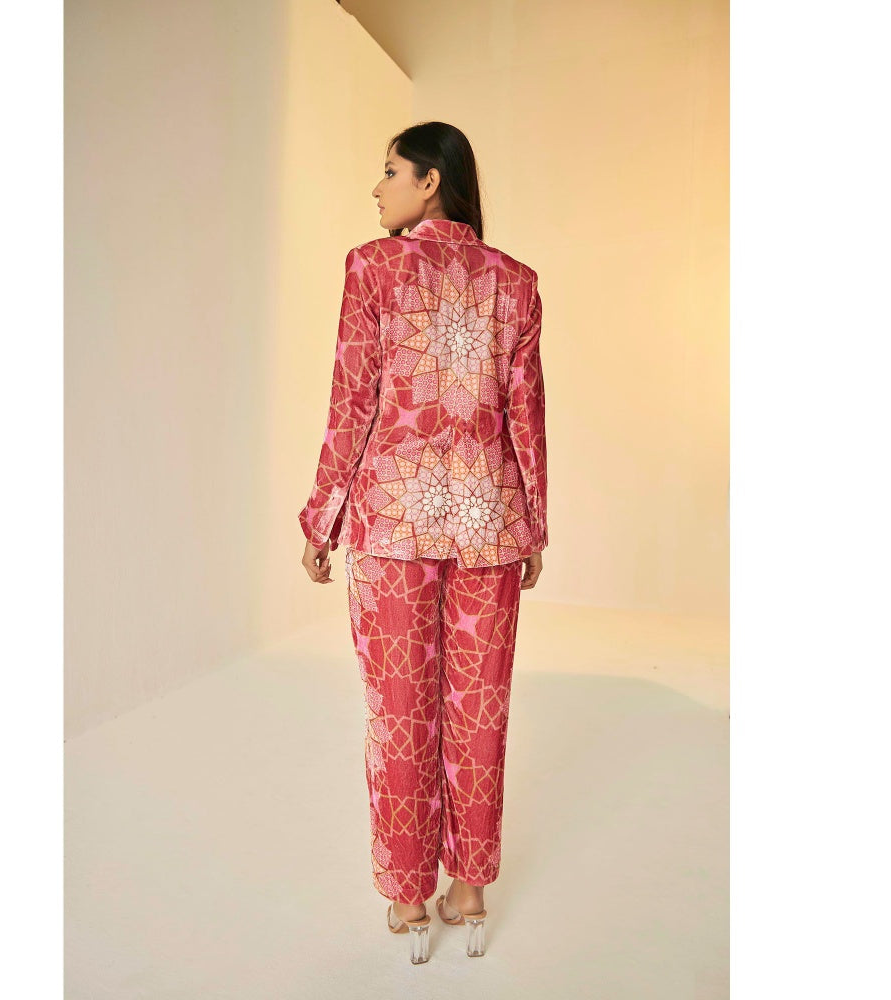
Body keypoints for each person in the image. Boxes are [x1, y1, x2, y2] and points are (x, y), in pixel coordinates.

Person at [297, 121, 547, 963]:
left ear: (431, 180)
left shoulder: (371, 267)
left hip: (393, 517)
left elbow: (352, 400)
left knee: (399, 709)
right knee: (481, 707)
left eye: (391, 171)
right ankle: (468, 888)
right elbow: (526, 415)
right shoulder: (516, 282)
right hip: (490, 521)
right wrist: (534, 523)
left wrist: (323, 516)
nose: (378, 188)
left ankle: (408, 896)